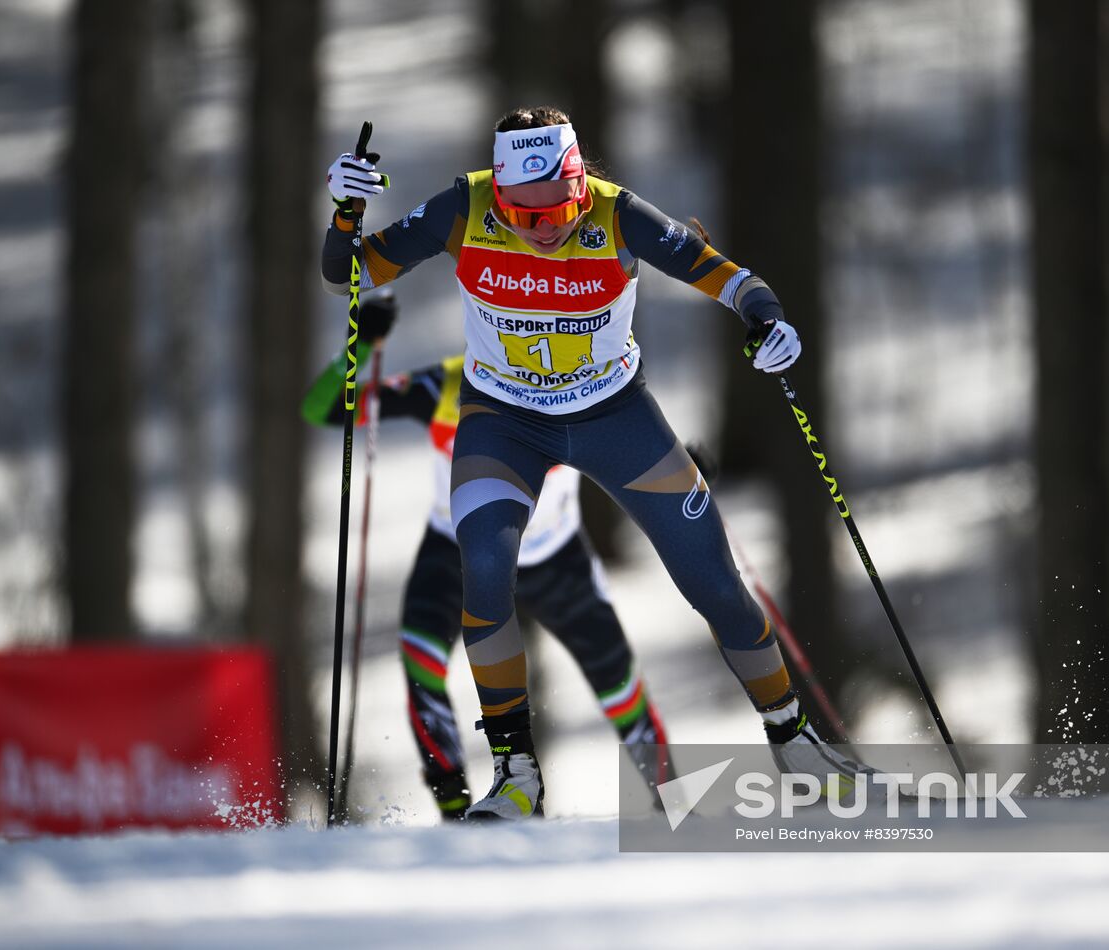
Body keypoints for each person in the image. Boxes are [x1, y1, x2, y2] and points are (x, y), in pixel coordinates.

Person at [322, 105, 864, 820]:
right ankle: (517, 774)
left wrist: (767, 324)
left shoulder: (617, 217)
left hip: (612, 416)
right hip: (504, 420)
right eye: (525, 215)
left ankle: (793, 740)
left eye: (559, 211)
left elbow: (732, 280)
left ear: (581, 185)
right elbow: (349, 278)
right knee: (483, 570)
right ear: (498, 194)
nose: (546, 230)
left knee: (714, 581)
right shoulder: (464, 206)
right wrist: (344, 213)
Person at [302, 293, 671, 820]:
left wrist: (680, 479)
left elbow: (634, 446)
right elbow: (322, 409)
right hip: (454, 550)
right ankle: (455, 811)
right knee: (421, 663)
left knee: (618, 684)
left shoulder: (582, 383)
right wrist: (361, 342)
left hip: (553, 556)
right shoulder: (447, 385)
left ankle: (673, 808)